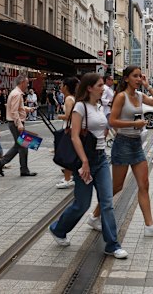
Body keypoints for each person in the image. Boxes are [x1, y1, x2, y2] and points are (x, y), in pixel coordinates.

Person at [49, 73, 129, 259]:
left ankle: (112, 245)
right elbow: (75, 135)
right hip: (85, 161)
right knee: (82, 204)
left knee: (107, 203)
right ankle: (58, 229)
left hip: (101, 160)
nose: (104, 88)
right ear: (89, 88)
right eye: (100, 85)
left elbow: (100, 128)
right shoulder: (80, 107)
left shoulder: (99, 106)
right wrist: (84, 162)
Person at [87, 66, 153, 237]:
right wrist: (134, 124)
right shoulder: (121, 97)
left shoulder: (140, 96)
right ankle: (94, 216)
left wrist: (148, 87)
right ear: (126, 79)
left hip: (136, 144)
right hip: (122, 143)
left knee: (144, 184)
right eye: (135, 76)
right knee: (117, 186)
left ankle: (150, 226)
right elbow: (112, 121)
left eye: (140, 76)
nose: (138, 79)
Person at [0, 75, 36, 177]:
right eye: (27, 83)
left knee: (19, 145)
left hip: (14, 122)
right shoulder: (17, 94)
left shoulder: (15, 93)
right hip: (16, 123)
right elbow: (14, 111)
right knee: (23, 145)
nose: (28, 85)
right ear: (22, 83)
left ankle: (0, 164)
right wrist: (20, 124)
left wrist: (28, 109)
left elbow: (18, 108)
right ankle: (21, 169)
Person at [55, 77, 79, 189]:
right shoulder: (73, 98)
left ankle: (67, 179)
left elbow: (69, 116)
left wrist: (60, 116)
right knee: (70, 154)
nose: (60, 87)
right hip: (73, 128)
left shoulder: (69, 99)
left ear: (66, 87)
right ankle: (69, 177)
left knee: (67, 155)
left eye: (62, 85)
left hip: (69, 129)